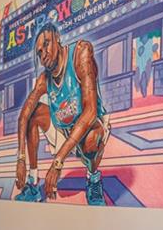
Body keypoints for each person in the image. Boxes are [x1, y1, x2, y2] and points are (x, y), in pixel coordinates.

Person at [15, 23, 111, 205]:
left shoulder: (80, 53)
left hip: (90, 126)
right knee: (33, 113)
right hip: (63, 130)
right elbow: (23, 115)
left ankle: (93, 178)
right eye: (39, 52)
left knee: (91, 139)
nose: (43, 54)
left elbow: (90, 112)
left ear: (57, 38)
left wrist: (57, 162)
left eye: (46, 44)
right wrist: (21, 158)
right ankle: (33, 183)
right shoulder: (44, 79)